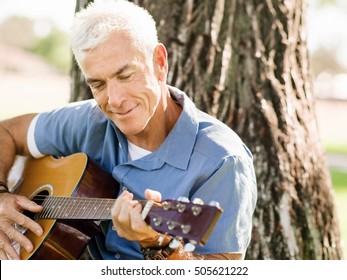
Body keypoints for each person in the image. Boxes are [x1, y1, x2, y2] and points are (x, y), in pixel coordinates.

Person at [0, 0, 257, 260]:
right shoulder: (89, 120)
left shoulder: (222, 161)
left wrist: (158, 243)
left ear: (159, 62)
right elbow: (6, 132)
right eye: (98, 84)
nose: (115, 100)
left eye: (125, 75)